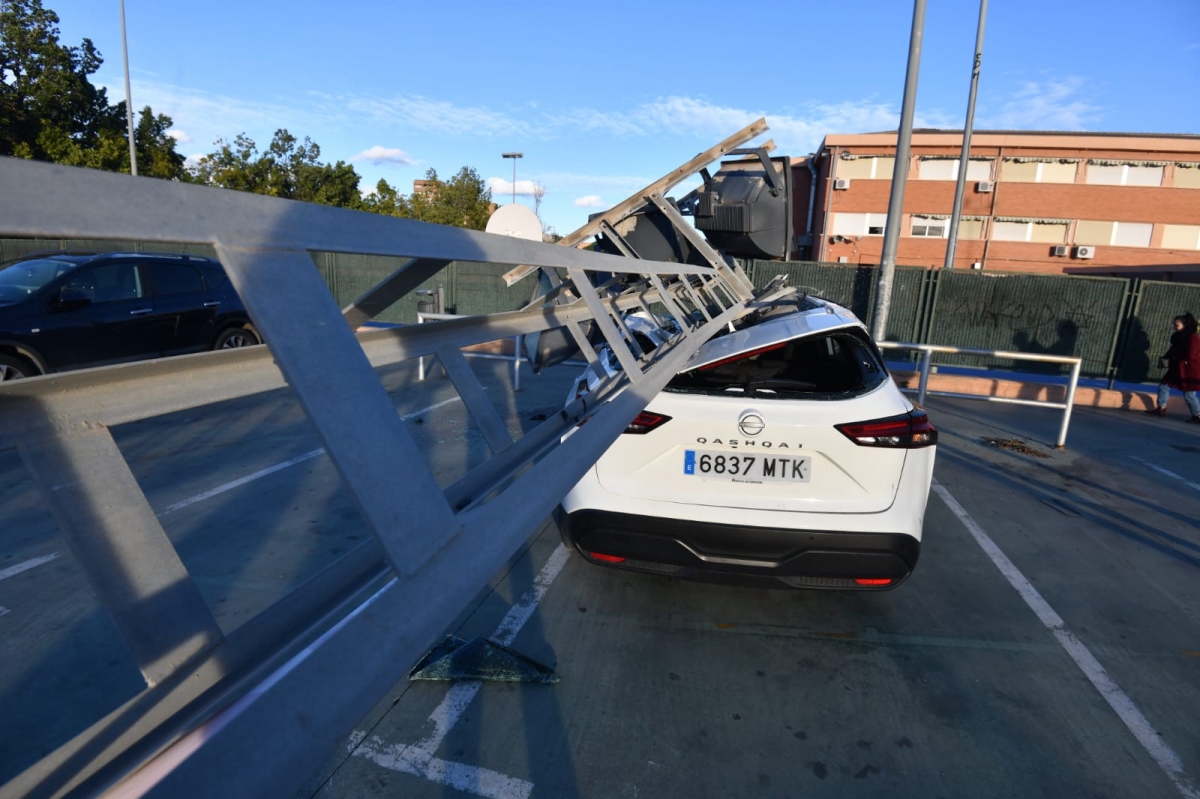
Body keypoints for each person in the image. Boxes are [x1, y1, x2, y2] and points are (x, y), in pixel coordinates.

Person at [1146, 313, 1200, 422]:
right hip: (1178, 368)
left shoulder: (1193, 338)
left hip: (1190, 370)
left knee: (1189, 394)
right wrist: (1166, 359)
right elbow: (1173, 349)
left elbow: (1191, 355)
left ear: (1185, 325)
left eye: (1177, 325)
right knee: (1164, 385)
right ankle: (1161, 407)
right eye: (1174, 324)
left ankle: (1197, 415)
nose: (1174, 327)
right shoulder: (1177, 336)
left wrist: (1176, 356)